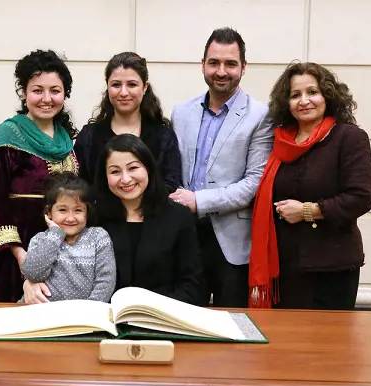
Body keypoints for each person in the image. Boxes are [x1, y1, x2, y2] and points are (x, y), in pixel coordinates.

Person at [249, 62, 371, 310]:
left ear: (327, 95)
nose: (304, 100)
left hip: (331, 267)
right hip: (284, 268)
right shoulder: (280, 142)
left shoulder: (348, 137)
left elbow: (361, 196)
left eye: (312, 92)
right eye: (295, 95)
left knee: (326, 345)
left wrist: (309, 210)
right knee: (285, 344)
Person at [170, 27, 273, 307]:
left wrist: (198, 201)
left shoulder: (260, 116)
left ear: (243, 68)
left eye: (230, 63)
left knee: (233, 327)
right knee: (185, 322)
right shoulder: (181, 112)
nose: (221, 71)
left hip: (232, 243)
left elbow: (254, 182)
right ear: (202, 65)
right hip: (185, 237)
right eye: (214, 62)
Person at [0, 50, 79, 302]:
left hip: (61, 255)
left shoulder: (66, 139)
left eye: (55, 90)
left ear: (65, 94)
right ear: (24, 92)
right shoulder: (6, 137)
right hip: (15, 257)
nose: (46, 98)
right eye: (37, 90)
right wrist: (21, 255)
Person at [94, 134, 208, 306]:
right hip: (107, 320)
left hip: (162, 319)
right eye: (115, 171)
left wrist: (150, 311)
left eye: (133, 168)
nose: (125, 179)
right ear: (105, 176)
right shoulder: (94, 217)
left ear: (148, 168)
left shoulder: (178, 216)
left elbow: (194, 286)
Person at [74, 52, 182, 193]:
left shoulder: (164, 137)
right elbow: (80, 187)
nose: (123, 92)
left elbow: (170, 185)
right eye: (116, 85)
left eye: (132, 84)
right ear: (107, 87)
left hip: (151, 215)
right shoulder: (89, 136)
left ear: (144, 87)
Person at [19, 172, 116, 304]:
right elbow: (32, 273)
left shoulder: (98, 237)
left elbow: (106, 280)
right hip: (42, 312)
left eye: (78, 210)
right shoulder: (41, 239)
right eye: (62, 210)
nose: (70, 218)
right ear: (49, 213)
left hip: (86, 315)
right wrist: (55, 234)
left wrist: (91, 311)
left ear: (87, 212)